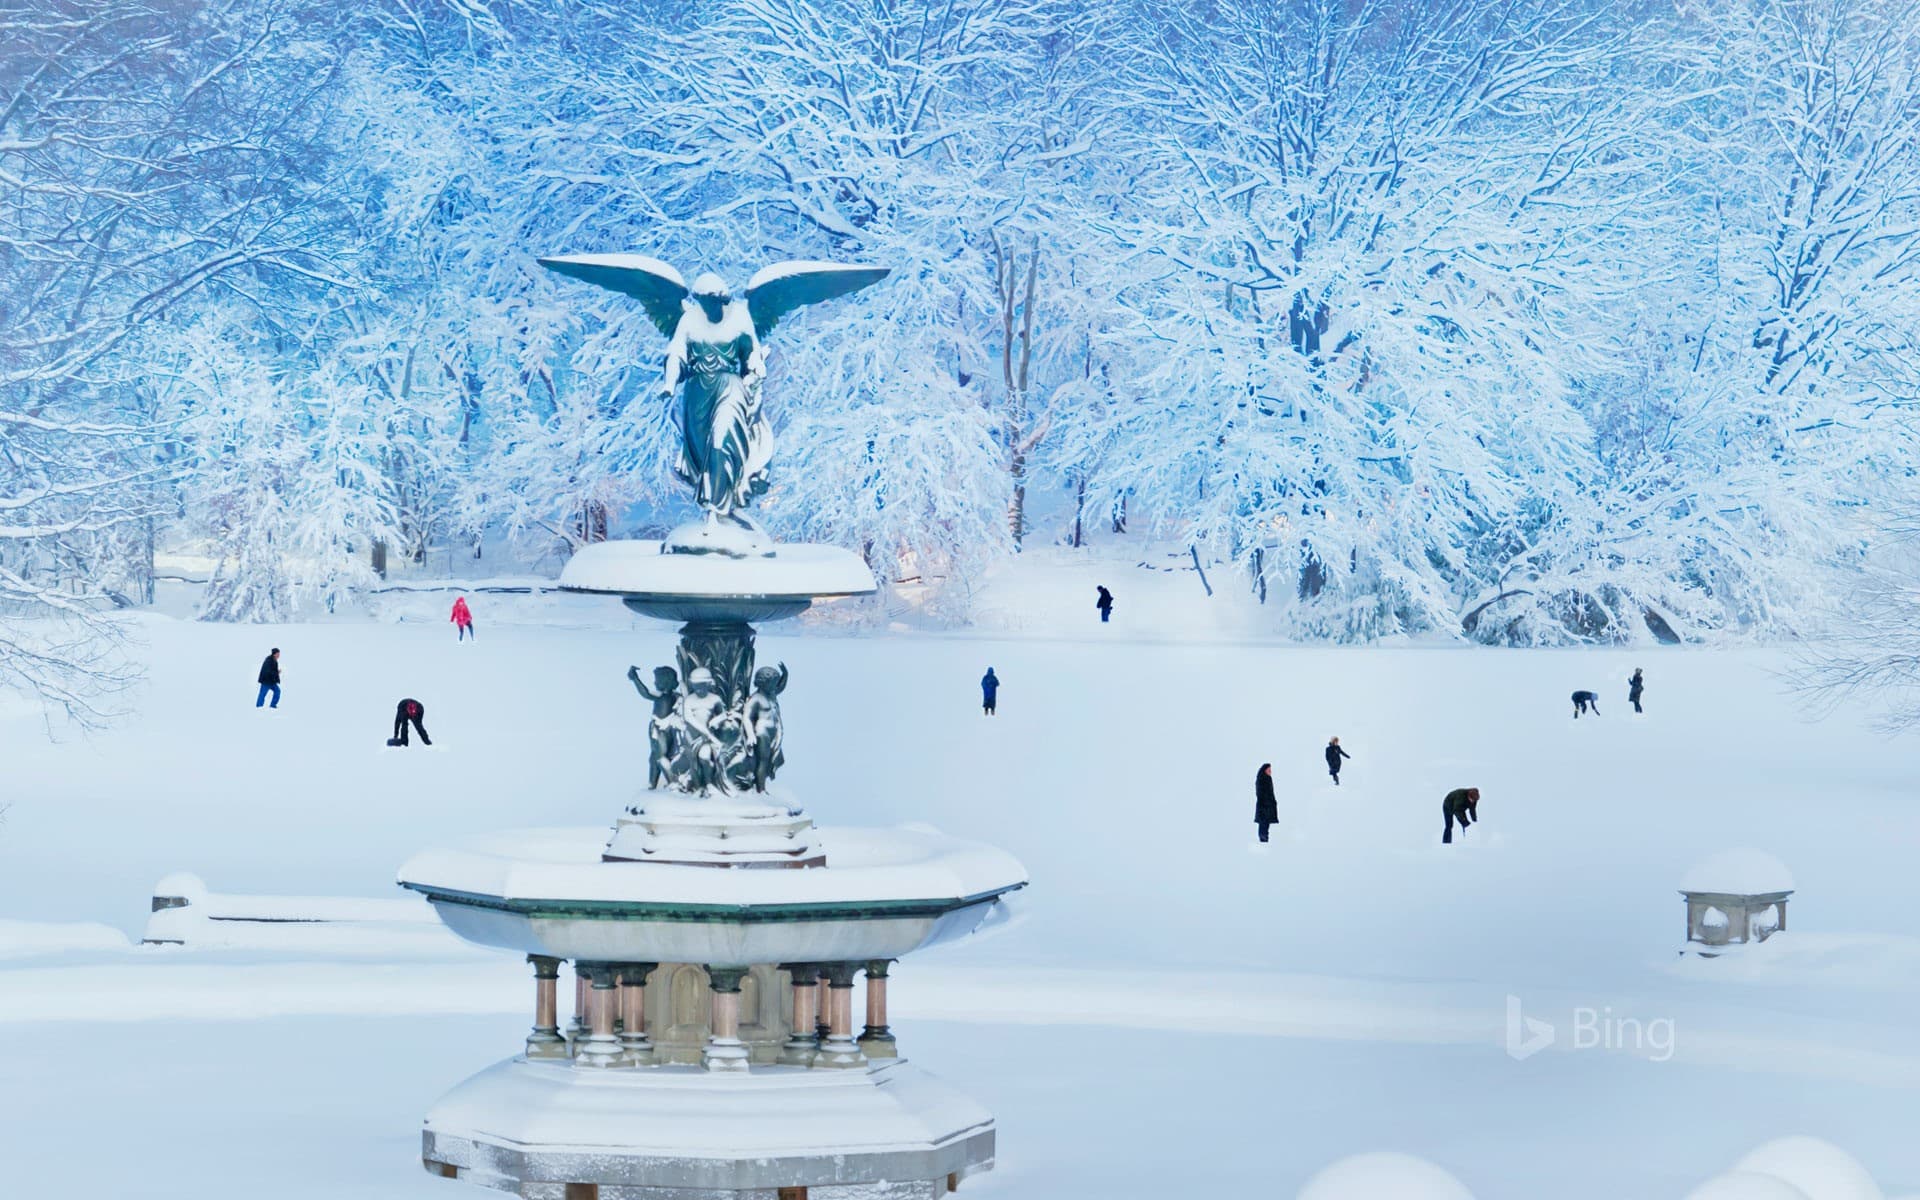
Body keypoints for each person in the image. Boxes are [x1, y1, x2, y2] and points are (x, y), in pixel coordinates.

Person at [1254, 763, 1277, 843]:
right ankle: (1262, 839)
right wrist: (1265, 801)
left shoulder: (1268, 778)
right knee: (1263, 822)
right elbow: (1259, 792)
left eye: (1270, 770)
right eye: (1269, 770)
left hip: (1268, 805)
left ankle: (1265, 838)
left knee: (1266, 822)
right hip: (1263, 805)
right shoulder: (1261, 778)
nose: (1270, 772)